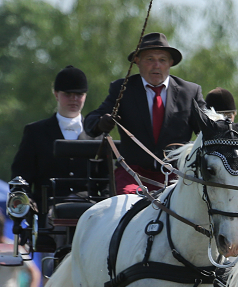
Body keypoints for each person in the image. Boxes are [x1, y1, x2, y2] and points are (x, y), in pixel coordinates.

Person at [85, 32, 206, 194]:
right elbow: (90, 121)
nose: (156, 65)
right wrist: (102, 122)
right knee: (127, 208)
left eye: (162, 60)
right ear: (137, 61)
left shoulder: (190, 92)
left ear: (170, 63)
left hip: (177, 176)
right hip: (132, 175)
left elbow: (208, 129)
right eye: (149, 59)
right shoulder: (123, 89)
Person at [11, 66, 100, 201]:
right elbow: (21, 176)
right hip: (48, 208)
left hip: (90, 209)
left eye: (79, 95)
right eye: (68, 94)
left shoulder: (98, 134)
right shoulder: (35, 132)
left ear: (85, 95)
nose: (74, 99)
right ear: (56, 94)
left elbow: (106, 180)